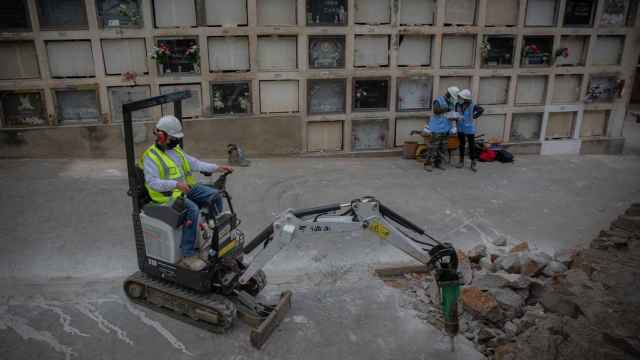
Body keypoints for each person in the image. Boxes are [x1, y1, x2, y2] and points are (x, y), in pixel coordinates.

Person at [142, 115, 233, 271]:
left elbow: (195, 163)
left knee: (215, 196)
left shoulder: (176, 150)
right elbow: (153, 183)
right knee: (192, 210)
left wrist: (217, 167)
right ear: (161, 135)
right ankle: (188, 255)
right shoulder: (150, 157)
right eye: (173, 138)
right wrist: (175, 184)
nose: (176, 141)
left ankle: (210, 239)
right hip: (167, 197)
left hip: (185, 189)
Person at [422, 92, 458, 171]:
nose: (453, 99)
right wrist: (446, 109)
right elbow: (436, 111)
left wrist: (455, 117)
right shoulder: (438, 100)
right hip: (436, 128)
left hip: (446, 128)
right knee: (433, 147)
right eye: (453, 97)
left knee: (442, 147)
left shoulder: (451, 103)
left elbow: (450, 114)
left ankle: (438, 163)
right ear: (449, 94)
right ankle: (427, 164)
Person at [455, 89, 484, 172]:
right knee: (461, 144)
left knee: (471, 145)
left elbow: (481, 110)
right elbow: (456, 113)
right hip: (460, 127)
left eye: (460, 97)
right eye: (458, 97)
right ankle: (461, 161)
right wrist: (455, 118)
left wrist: (474, 116)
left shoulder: (472, 105)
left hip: (469, 128)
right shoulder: (457, 104)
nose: (459, 98)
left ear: (465, 98)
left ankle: (473, 162)